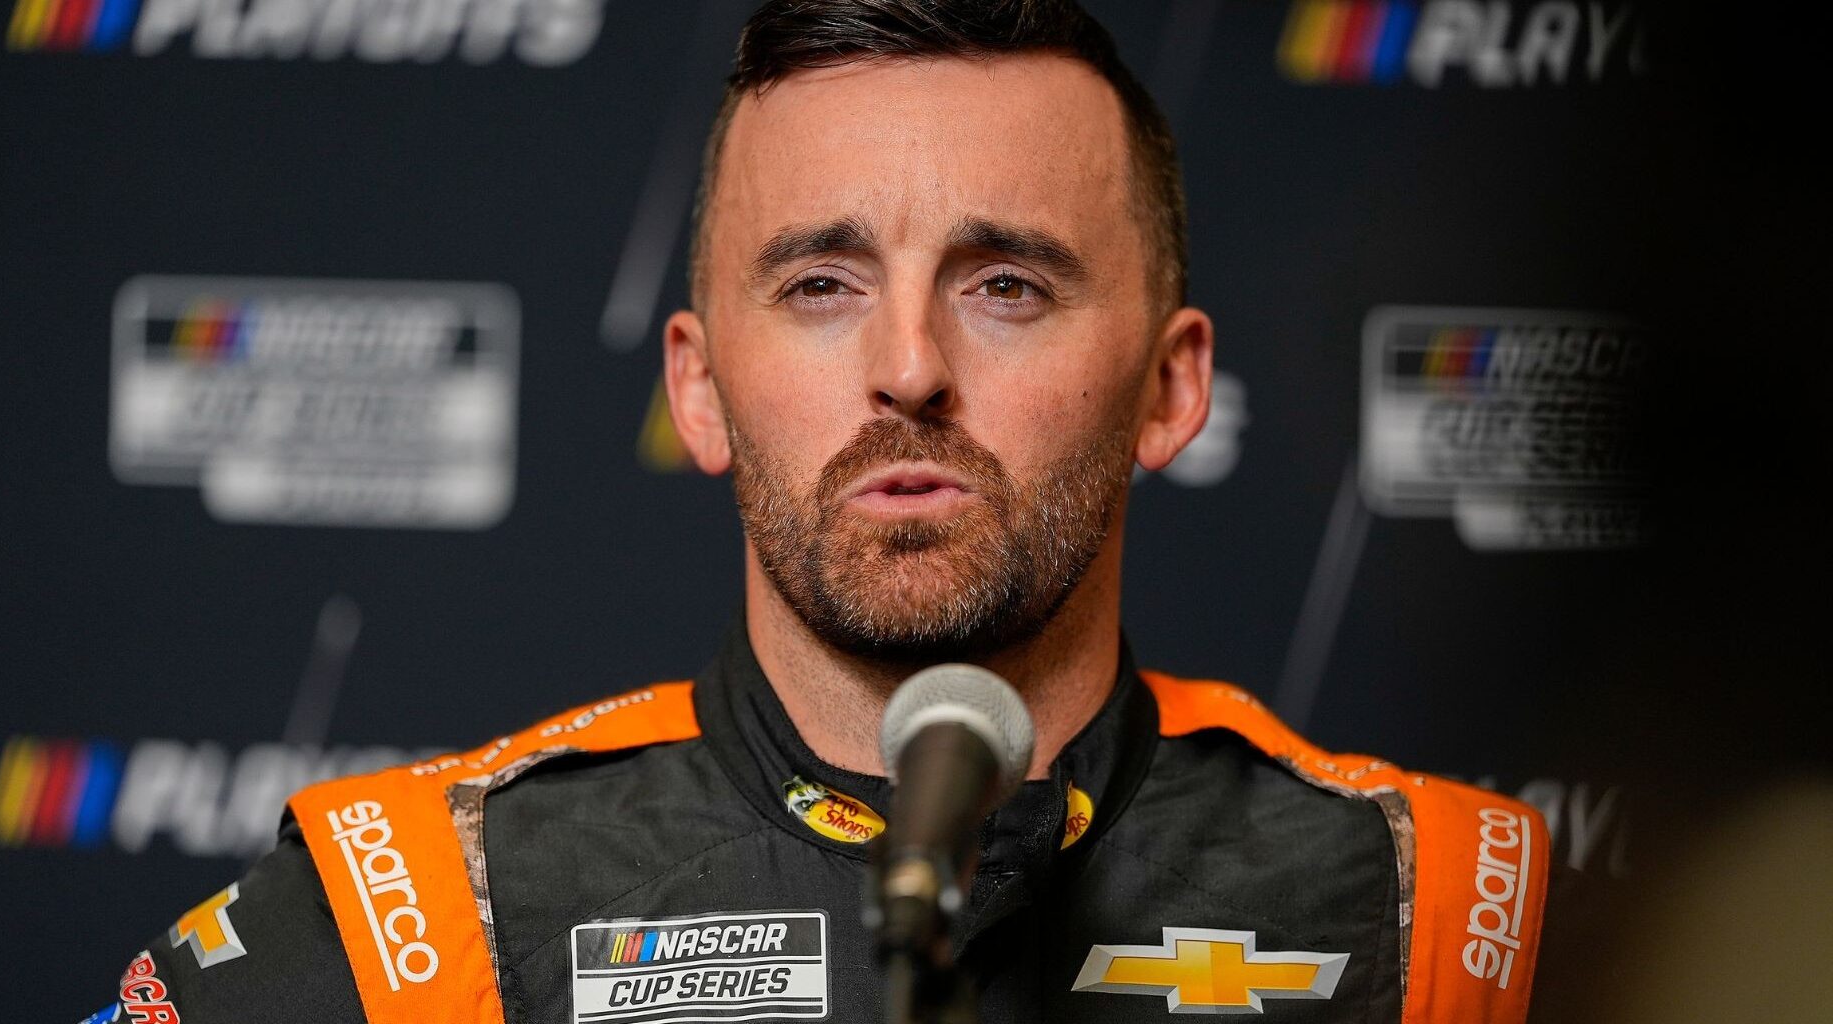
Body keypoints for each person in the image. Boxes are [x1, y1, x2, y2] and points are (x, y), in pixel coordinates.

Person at [89, 3, 1550, 1022]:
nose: (909, 368)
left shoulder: (1450, 919)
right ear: (704, 388)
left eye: (1007, 286)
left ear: (1171, 389)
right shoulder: (417, 916)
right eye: (819, 286)